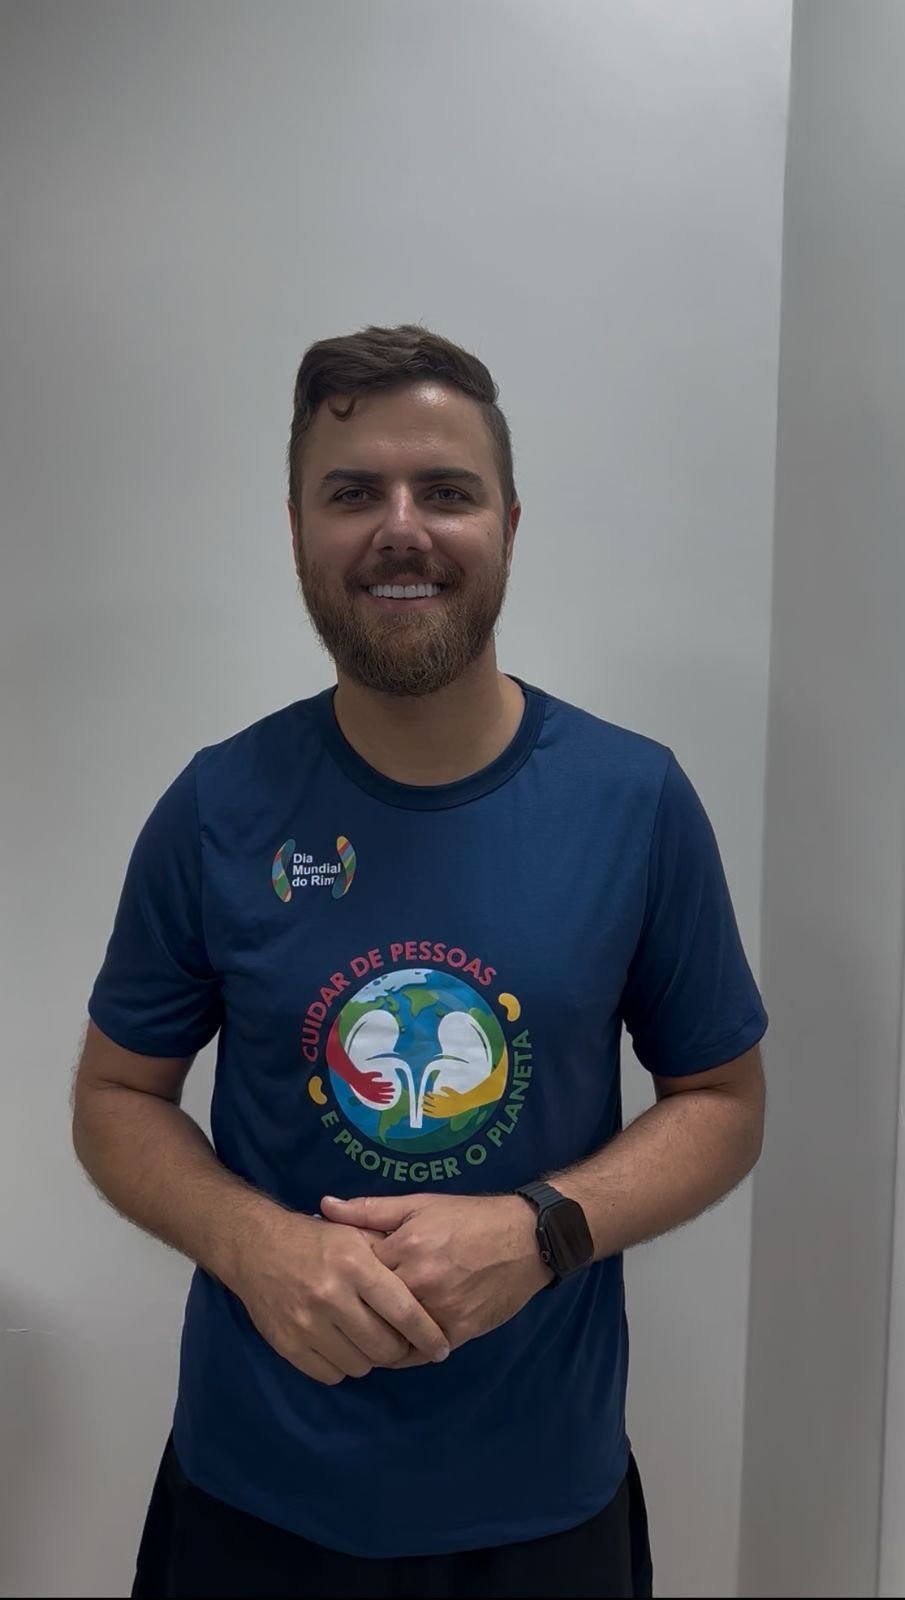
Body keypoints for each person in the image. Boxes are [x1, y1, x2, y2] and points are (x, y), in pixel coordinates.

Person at [72, 323, 768, 1599]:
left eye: (444, 490)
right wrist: (252, 1242)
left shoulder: (634, 801)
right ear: (296, 530)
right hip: (255, 1498)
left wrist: (542, 1229)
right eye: (353, 493)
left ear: (508, 522)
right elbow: (115, 1095)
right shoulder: (217, 806)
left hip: (541, 1503)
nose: (402, 529)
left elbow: (721, 1100)